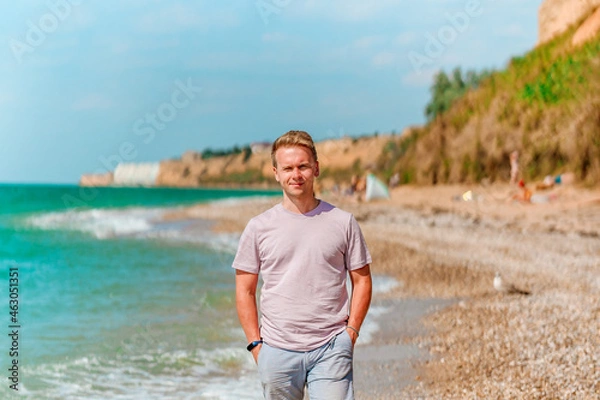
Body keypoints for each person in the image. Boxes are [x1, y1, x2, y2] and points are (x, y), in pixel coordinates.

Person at [233, 130, 373, 400]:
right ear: (276, 173)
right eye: (287, 168)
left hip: (331, 346)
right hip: (276, 350)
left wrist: (351, 333)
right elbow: (244, 290)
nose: (295, 174)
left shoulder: (343, 222)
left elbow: (362, 280)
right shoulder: (258, 227)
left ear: (316, 168)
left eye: (303, 166)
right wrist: (256, 346)